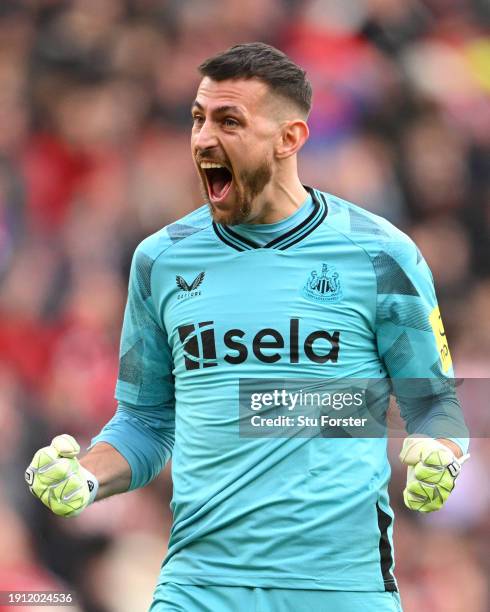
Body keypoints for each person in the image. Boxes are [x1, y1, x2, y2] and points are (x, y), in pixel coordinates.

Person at [25, 43, 469, 612]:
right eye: (198, 118)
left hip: (340, 587)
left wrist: (439, 451)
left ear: (290, 139)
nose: (204, 138)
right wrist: (86, 477)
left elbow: (435, 402)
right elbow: (145, 422)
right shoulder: (160, 261)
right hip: (198, 589)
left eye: (229, 121)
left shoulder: (381, 254)